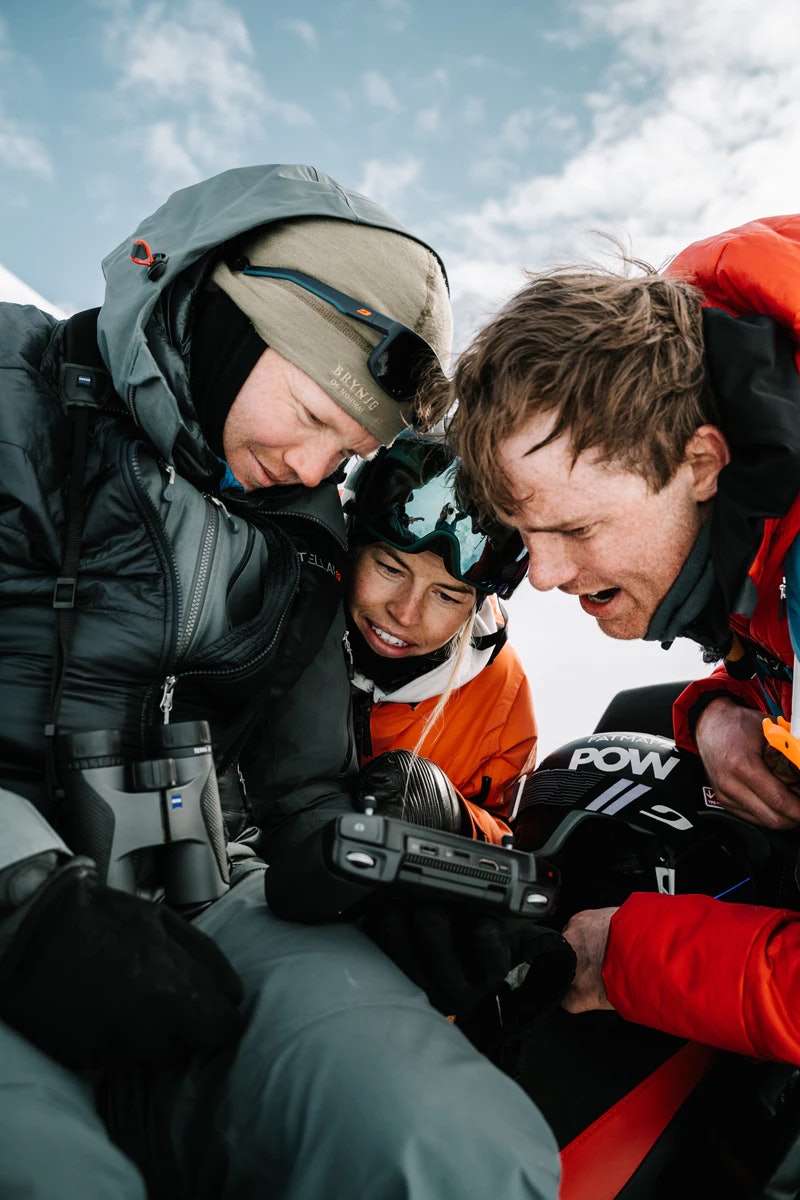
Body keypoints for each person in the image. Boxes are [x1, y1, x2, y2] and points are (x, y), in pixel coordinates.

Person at [0, 163, 564, 1200]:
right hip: (17, 891)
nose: (310, 468)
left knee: (442, 1144)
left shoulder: (303, 539)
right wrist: (23, 904)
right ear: (218, 301)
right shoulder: (14, 395)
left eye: (344, 450)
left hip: (206, 902)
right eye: (309, 411)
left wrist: (373, 885)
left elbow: (298, 788)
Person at [447, 214, 800, 1066]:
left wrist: (630, 959)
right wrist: (722, 708)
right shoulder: (765, 547)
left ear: (702, 463)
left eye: (574, 527)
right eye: (527, 534)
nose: (542, 575)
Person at [341, 429, 536, 844]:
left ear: (476, 606)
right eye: (391, 569)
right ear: (351, 545)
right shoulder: (285, 610)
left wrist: (452, 819)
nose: (405, 613)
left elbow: (516, 840)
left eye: (446, 595)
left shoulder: (499, 691)